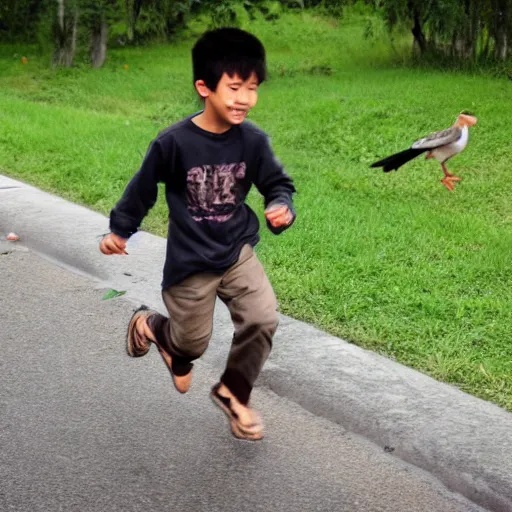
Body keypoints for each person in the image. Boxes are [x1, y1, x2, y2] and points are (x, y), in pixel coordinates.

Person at [99, 27, 296, 441]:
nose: (245, 98)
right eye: (235, 87)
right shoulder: (174, 142)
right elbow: (143, 186)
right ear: (204, 87)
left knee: (262, 318)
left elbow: (277, 182)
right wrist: (121, 229)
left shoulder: (253, 141)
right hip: (191, 263)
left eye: (253, 88)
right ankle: (151, 326)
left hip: (236, 250)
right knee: (191, 345)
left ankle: (233, 392)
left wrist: (281, 205)